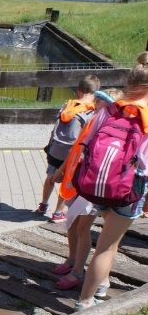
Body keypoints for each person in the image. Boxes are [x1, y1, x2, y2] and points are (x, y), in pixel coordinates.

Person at [76, 54, 148, 310]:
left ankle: (102, 284)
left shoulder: (110, 109)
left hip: (98, 185)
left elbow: (86, 143)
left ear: (129, 82)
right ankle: (84, 301)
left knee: (110, 239)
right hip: (130, 189)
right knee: (106, 246)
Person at [49, 89, 123, 293]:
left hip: (94, 186)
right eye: (98, 102)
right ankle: (73, 260)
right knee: (72, 225)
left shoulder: (110, 127)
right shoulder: (92, 122)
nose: (97, 106)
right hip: (78, 181)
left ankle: (79, 271)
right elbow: (76, 149)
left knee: (82, 228)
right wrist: (62, 171)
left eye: (102, 104)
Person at [38, 75, 99, 222]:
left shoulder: (67, 106)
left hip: (56, 150)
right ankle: (58, 213)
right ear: (95, 93)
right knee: (66, 181)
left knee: (50, 178)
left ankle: (43, 205)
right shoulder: (90, 112)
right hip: (71, 154)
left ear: (79, 92)